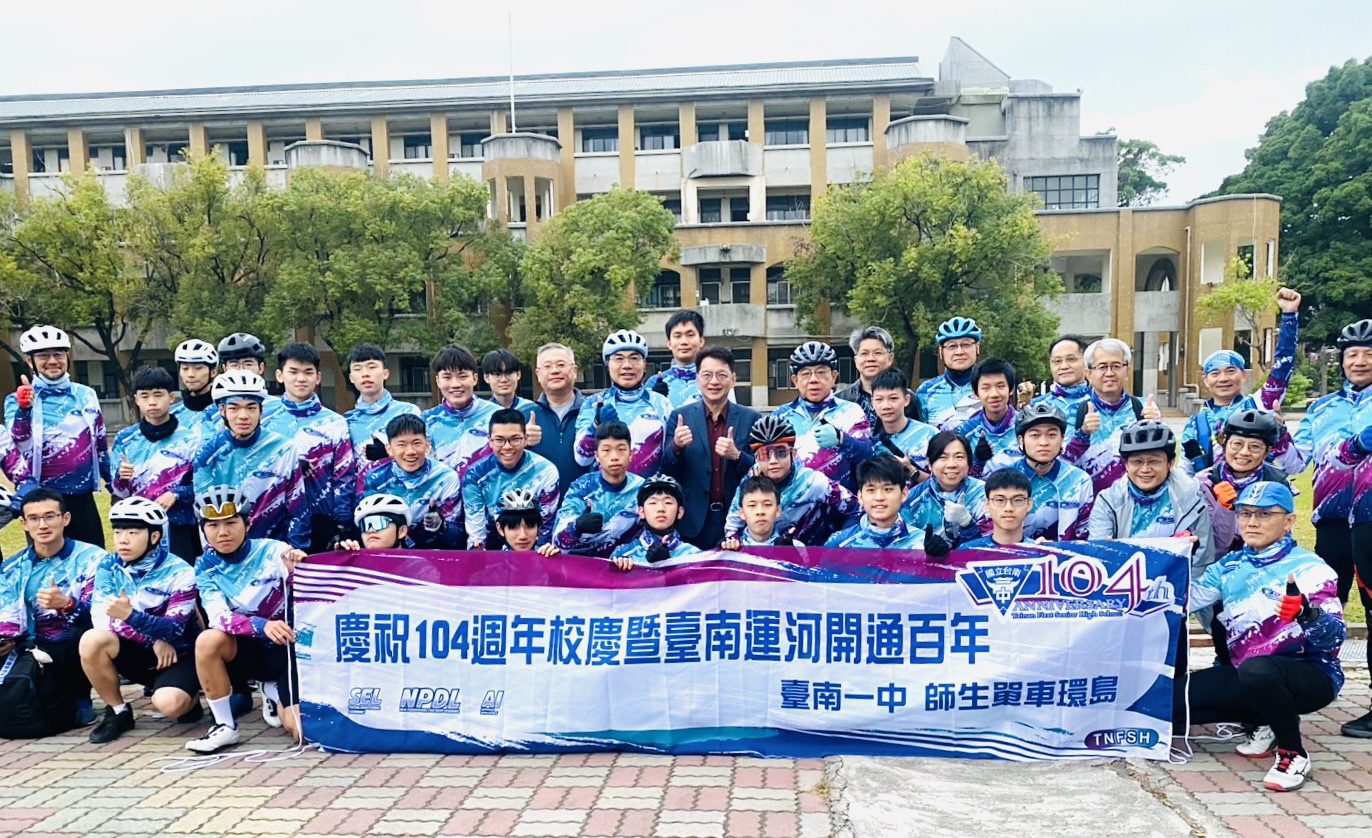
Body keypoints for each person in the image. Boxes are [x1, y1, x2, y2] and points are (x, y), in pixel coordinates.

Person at [1179, 482, 1345, 792]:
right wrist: (1176, 558)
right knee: (1172, 706)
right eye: (1245, 514)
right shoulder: (1229, 566)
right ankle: (1265, 720)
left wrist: (1307, 614)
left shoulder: (1311, 568)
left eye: (1265, 514)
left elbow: (1334, 639)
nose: (1252, 522)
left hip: (1311, 676)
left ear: (1289, 521)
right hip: (1248, 674)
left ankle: (1293, 753)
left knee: (1258, 670)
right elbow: (1183, 601)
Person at [1292, 318, 1372, 739]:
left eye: (1369, 354)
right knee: (1324, 608)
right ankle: (1315, 685)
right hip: (1332, 520)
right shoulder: (1321, 408)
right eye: (1352, 354)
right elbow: (1293, 459)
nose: (1359, 361)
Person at [187, 485, 307, 753]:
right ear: (203, 529)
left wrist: (299, 568)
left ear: (248, 523)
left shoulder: (274, 551)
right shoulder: (204, 566)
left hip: (286, 650)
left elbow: (310, 590)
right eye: (213, 525)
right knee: (208, 640)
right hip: (245, 649)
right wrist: (262, 626)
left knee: (300, 732)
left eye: (231, 523)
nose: (223, 532)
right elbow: (218, 617)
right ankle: (225, 726)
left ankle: (273, 691)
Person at [80, 498, 200, 743]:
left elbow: (174, 629)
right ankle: (118, 711)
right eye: (117, 532)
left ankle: (191, 697)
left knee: (170, 705)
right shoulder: (108, 565)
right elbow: (102, 618)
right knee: (92, 639)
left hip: (177, 653)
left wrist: (130, 616)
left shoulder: (181, 572)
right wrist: (152, 640)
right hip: (144, 649)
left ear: (154, 537)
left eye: (133, 533)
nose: (122, 540)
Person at [0, 488, 106, 729]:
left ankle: (81, 699)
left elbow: (104, 612)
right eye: (34, 518)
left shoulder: (94, 559)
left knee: (84, 633)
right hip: (29, 645)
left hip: (71, 644)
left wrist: (67, 604)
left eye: (50, 516)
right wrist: (4, 638)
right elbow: (6, 614)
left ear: (65, 519)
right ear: (23, 524)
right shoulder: (11, 568)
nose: (43, 525)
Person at [4, 325, 111, 547]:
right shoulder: (16, 400)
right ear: (29, 361)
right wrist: (24, 410)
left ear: (67, 357)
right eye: (43, 356)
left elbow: (100, 444)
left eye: (58, 354)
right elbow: (17, 443)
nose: (53, 361)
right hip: (41, 502)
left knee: (92, 560)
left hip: (83, 498)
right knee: (48, 563)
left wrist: (114, 484)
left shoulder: (86, 395)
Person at [1182, 288, 1303, 475]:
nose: (1223, 378)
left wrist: (1289, 316)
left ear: (1244, 375)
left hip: (1259, 490)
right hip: (1214, 493)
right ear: (1205, 380)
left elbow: (1282, 368)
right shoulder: (1196, 423)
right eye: (1215, 373)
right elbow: (1185, 472)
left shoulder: (1260, 405)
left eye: (1230, 371)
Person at [193, 372, 308, 549]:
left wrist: (298, 550)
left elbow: (297, 504)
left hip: (275, 548)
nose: (243, 415)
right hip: (227, 550)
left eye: (251, 408)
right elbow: (204, 513)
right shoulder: (207, 454)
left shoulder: (284, 448)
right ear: (222, 410)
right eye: (234, 408)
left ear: (261, 410)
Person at [660, 346, 760, 549]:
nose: (714, 381)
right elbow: (666, 469)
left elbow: (761, 472)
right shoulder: (680, 417)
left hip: (737, 521)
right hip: (692, 522)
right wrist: (677, 446)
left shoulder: (751, 418)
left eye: (721, 375)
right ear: (697, 379)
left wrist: (737, 455)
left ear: (733, 379)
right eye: (707, 375)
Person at [262, 343, 356, 551]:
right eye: (293, 372)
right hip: (274, 518)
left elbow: (344, 474)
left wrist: (342, 521)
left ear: (318, 377)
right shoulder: (264, 420)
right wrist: (292, 466)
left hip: (321, 519)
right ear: (279, 375)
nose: (301, 379)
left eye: (308, 372)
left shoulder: (335, 422)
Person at [1089, 420, 1213, 572]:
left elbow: (1200, 564)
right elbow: (1099, 558)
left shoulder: (1192, 495)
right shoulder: (1108, 500)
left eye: (1154, 461)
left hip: (1176, 581)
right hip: (1122, 579)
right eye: (1137, 462)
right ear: (1126, 465)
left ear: (1170, 463)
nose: (1145, 469)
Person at [723, 415, 859, 546]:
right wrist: (734, 543)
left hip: (811, 554)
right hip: (765, 555)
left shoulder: (813, 482)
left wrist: (835, 545)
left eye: (781, 452)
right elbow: (732, 527)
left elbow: (857, 510)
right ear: (756, 458)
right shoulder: (750, 481)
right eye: (764, 454)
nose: (773, 461)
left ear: (793, 453)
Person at [110, 366, 201, 563]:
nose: (151, 402)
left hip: (180, 526)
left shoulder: (191, 439)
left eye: (158, 395)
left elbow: (203, 485)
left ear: (171, 397)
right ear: (136, 400)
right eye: (144, 396)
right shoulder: (125, 439)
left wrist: (177, 494)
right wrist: (120, 477)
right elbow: (118, 493)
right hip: (138, 527)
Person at [1063, 337, 1163, 496]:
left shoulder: (1144, 408)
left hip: (1136, 502)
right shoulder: (1073, 412)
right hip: (1088, 503)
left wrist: (1157, 428)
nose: (1109, 373)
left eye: (1116, 366)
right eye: (1102, 367)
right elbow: (1061, 463)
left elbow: (1163, 460)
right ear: (1088, 373)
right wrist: (1082, 433)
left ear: (1127, 371)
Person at [771, 341, 872, 491]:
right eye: (806, 374)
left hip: (841, 502)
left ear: (833, 377)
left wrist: (842, 439)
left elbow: (868, 455)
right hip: (793, 502)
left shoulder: (851, 411)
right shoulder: (780, 416)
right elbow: (767, 461)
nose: (813, 380)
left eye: (821, 372)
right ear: (795, 381)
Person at [984, 403, 1093, 542]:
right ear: (1021, 440)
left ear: (1062, 439)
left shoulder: (1079, 480)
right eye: (1035, 435)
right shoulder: (1002, 480)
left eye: (1052, 435)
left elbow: (1085, 536)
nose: (1044, 442)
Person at [573, 330, 673, 477]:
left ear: (644, 364)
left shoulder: (661, 403)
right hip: (605, 490)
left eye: (634, 358)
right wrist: (595, 425)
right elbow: (581, 459)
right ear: (607, 364)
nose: (627, 365)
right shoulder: (593, 404)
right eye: (619, 358)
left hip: (651, 490)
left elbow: (671, 456)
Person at [358, 414, 464, 549]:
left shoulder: (446, 477)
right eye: (401, 445)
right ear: (389, 449)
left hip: (435, 553)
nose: (410, 452)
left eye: (417, 443)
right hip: (392, 553)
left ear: (427, 445)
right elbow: (368, 529)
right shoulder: (375, 479)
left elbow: (459, 538)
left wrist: (442, 525)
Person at [1198, 409, 1292, 558]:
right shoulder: (1204, 482)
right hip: (1214, 561)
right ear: (1224, 444)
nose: (1244, 452)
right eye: (1237, 444)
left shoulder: (1276, 483)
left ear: (1267, 451)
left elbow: (1280, 538)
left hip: (1261, 560)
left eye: (1255, 446)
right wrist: (1224, 509)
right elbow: (1209, 547)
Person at [462, 409, 560, 549]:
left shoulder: (546, 471)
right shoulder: (475, 474)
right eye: (499, 440)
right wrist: (478, 551)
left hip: (532, 543)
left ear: (525, 439)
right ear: (490, 441)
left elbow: (546, 525)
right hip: (493, 545)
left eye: (515, 439)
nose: (507, 447)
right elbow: (476, 530)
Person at [550, 422, 644, 558]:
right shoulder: (582, 488)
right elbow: (557, 545)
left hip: (624, 563)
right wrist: (576, 527)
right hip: (581, 564)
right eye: (606, 450)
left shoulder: (642, 489)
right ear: (597, 456)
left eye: (621, 449)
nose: (614, 457)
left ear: (630, 454)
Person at [902, 432, 991, 554]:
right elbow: (904, 546)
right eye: (942, 457)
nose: (951, 464)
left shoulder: (984, 494)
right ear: (930, 464)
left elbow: (990, 546)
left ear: (969, 463)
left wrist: (967, 525)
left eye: (959, 457)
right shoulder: (912, 500)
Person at [422, 345, 499, 479]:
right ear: (438, 381)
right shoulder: (426, 421)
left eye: (462, 376)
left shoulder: (497, 416)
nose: (455, 384)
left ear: (475, 378)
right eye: (447, 377)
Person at [526, 342, 588, 496]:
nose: (554, 371)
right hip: (539, 504)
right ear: (538, 374)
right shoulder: (524, 416)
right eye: (547, 366)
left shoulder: (592, 412)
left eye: (561, 365)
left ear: (574, 371)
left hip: (585, 503)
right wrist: (521, 442)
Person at [825, 455, 924, 549]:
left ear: (904, 494)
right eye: (871, 490)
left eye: (888, 489)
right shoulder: (840, 545)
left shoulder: (921, 541)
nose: (879, 497)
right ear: (860, 497)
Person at [343, 343, 419, 465]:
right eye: (357, 369)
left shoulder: (408, 412)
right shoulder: (346, 422)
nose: (365, 374)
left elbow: (423, 453)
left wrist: (389, 451)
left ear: (385, 373)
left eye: (372, 367)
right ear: (351, 378)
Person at [838, 326, 923, 429]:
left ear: (890, 358)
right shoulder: (841, 400)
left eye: (877, 353)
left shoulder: (908, 399)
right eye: (864, 353)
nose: (870, 359)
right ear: (856, 360)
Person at [610, 474, 701, 569]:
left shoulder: (693, 555)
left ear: (680, 512)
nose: (660, 508)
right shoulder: (623, 554)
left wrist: (667, 564)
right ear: (641, 512)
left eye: (668, 503)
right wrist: (620, 567)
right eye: (653, 503)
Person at [915, 316, 983, 430]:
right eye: (952, 346)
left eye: (966, 345)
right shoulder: (926, 391)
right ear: (941, 352)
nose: (959, 352)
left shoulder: (990, 386)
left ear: (977, 347)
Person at [868, 369, 936, 477]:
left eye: (893, 398)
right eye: (879, 399)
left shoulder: (930, 434)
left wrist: (911, 471)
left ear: (906, 400)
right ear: (872, 402)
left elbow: (943, 481)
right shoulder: (871, 444)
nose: (886, 406)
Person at [958, 358, 1020, 477]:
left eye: (1000, 386)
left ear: (1011, 389)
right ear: (975, 393)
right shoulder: (964, 432)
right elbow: (956, 478)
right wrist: (977, 463)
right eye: (985, 388)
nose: (994, 394)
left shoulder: (1027, 427)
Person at [646, 310, 707, 408]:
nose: (684, 342)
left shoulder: (713, 381)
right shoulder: (654, 383)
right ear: (669, 343)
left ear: (701, 341)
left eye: (690, 335)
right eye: (677, 336)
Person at [962, 469, 1035, 548]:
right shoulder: (969, 551)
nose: (1008, 508)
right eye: (1000, 500)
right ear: (987, 505)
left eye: (1017, 500)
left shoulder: (1041, 551)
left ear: (1029, 504)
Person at [719, 476, 799, 549]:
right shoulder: (730, 548)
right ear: (742, 513)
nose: (760, 511)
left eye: (767, 504)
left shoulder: (795, 547)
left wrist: (790, 554)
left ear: (778, 510)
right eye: (752, 505)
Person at [169, 338, 221, 436]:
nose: (190, 374)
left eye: (198, 368)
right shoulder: (172, 413)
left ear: (213, 372)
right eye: (185, 368)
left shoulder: (226, 410)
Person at [1031, 335, 1092, 417]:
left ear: (1086, 362)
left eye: (1071, 359)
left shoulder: (1102, 402)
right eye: (1057, 361)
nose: (1064, 366)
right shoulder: (1036, 407)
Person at [338, 493, 412, 551]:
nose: (370, 530)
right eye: (364, 525)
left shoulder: (417, 564)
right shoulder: (355, 560)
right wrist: (343, 559)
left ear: (402, 531)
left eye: (378, 523)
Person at [493, 489, 549, 553]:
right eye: (513, 527)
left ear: (538, 527)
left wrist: (555, 557)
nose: (523, 536)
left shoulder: (546, 556)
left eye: (530, 526)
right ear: (500, 529)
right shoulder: (491, 559)